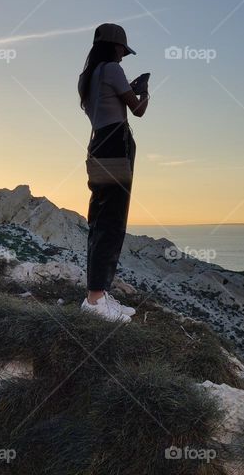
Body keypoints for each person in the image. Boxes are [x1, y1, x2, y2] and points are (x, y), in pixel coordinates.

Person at [77, 23, 149, 322]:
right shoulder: (112, 70)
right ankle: (95, 301)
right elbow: (139, 110)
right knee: (113, 220)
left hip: (97, 145)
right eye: (122, 50)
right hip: (115, 145)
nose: (124, 56)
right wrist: (143, 91)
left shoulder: (87, 77)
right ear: (113, 46)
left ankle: (99, 295)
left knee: (99, 219)